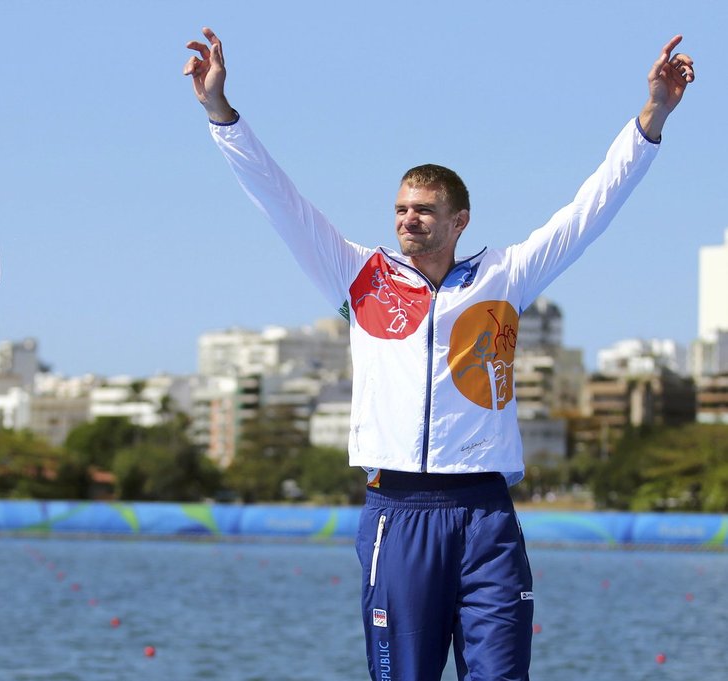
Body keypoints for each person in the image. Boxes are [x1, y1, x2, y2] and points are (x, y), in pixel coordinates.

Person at [184, 27, 694, 681]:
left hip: (486, 515)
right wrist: (218, 111)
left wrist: (652, 115)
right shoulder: (359, 276)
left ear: (460, 220)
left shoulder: (504, 276)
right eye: (401, 209)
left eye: (425, 210)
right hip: (398, 515)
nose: (408, 219)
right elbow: (280, 200)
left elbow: (588, 210)